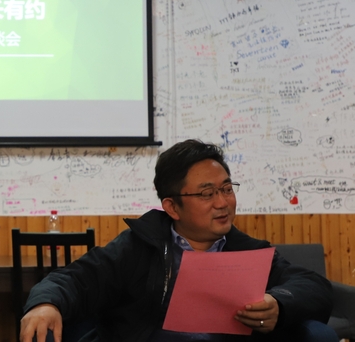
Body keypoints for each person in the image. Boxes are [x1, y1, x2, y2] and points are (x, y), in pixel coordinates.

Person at [20, 140, 335, 342]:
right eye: (207, 194)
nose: (223, 202)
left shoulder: (249, 252)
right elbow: (75, 279)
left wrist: (279, 303)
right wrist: (46, 304)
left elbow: (313, 286)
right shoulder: (138, 247)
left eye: (227, 189)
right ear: (172, 207)